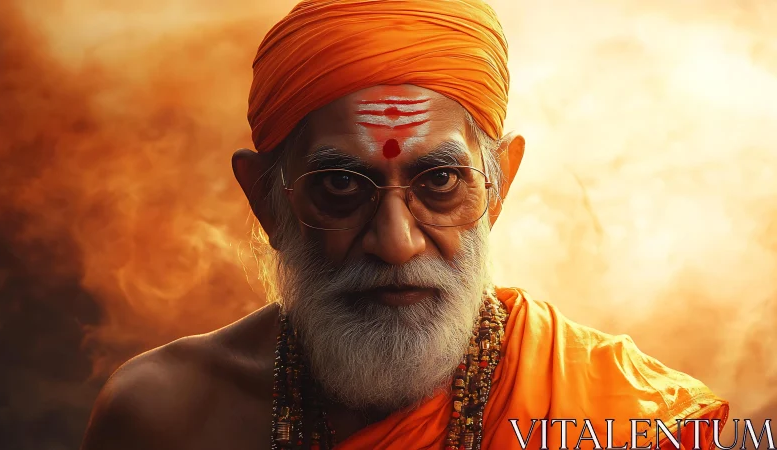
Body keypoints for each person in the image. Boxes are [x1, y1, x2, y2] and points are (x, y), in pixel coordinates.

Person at [81, 1, 729, 449]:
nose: (396, 242)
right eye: (341, 186)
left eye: (440, 181)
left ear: (497, 187)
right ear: (265, 201)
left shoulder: (634, 423)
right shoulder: (163, 418)